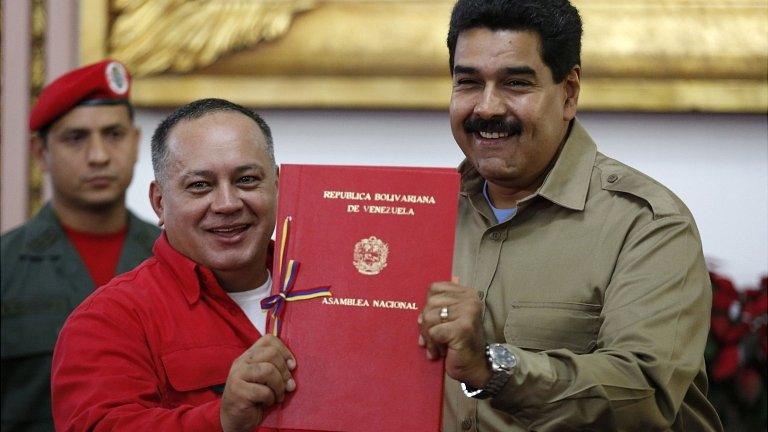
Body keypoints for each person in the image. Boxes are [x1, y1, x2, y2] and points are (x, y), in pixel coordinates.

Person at [418, 1, 724, 431]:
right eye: (468, 82)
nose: (486, 108)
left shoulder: (647, 224)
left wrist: (492, 369)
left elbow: (643, 397)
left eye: (515, 84)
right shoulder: (417, 216)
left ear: (569, 92)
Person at [51, 98, 296, 432]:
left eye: (247, 180)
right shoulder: (111, 319)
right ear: (160, 203)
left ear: (279, 186)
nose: (227, 203)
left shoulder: (335, 293)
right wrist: (220, 420)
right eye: (200, 186)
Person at [1, 59, 160, 431]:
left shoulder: (178, 259)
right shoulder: (6, 269)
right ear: (41, 154)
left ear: (136, 144)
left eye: (114, 134)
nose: (99, 156)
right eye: (76, 138)